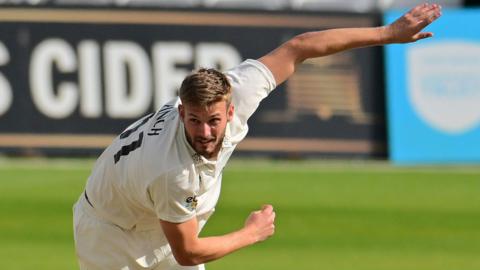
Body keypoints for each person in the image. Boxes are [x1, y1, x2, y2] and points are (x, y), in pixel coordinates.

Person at [73, 3, 441, 269]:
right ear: (181, 112)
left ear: (231, 110)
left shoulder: (240, 90)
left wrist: (388, 34)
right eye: (194, 120)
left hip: (153, 213)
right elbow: (188, 253)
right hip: (111, 235)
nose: (204, 132)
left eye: (213, 120)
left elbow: (300, 47)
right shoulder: (172, 171)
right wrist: (251, 233)